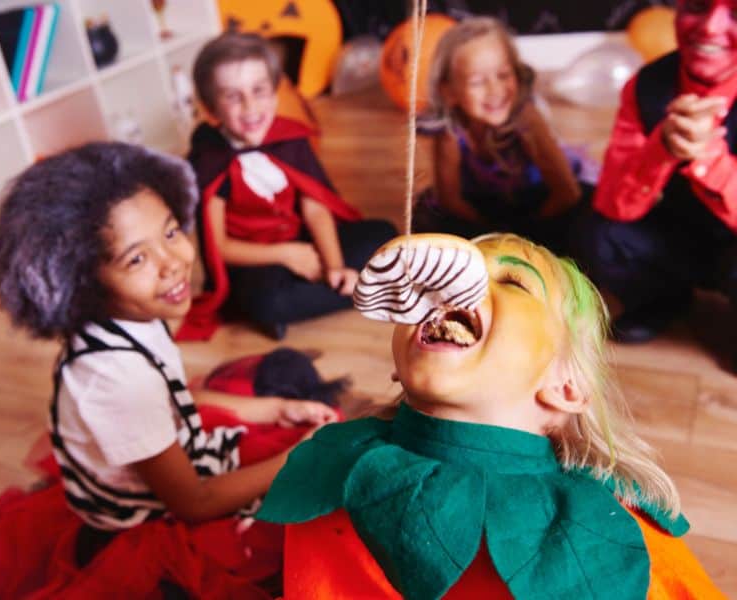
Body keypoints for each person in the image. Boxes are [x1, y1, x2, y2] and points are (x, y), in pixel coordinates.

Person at [0, 142, 337, 599]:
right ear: (83, 281)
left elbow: (174, 396)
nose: (172, 263)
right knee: (312, 530)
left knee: (289, 382)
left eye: (172, 232)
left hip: (170, 456)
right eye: (136, 259)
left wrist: (273, 407)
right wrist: (298, 458)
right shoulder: (114, 380)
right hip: (156, 519)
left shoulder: (132, 319)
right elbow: (194, 503)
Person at [258, 233, 725, 599]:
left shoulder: (612, 528)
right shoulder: (334, 466)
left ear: (568, 386)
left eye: (512, 281)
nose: (455, 283)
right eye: (439, 275)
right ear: (398, 369)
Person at [178, 32, 397, 341]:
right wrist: (288, 255)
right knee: (268, 302)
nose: (250, 106)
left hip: (302, 237)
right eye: (232, 96)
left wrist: (332, 264)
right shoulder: (211, 163)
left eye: (259, 91)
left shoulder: (290, 139)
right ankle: (363, 288)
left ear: (275, 94)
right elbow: (221, 247)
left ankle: (338, 284)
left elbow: (316, 207)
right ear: (211, 109)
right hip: (258, 260)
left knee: (384, 234)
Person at [573, 0, 737, 353]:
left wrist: (708, 157)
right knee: (600, 233)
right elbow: (612, 203)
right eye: (698, 6)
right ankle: (666, 298)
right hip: (681, 233)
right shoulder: (646, 85)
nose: (710, 28)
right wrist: (662, 146)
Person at [413, 17, 593, 255]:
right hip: (483, 206)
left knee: (585, 220)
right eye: (477, 81)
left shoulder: (527, 120)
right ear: (449, 92)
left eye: (504, 75)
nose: (495, 90)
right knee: (428, 218)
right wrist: (492, 235)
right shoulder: (450, 133)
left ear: (517, 76)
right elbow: (451, 201)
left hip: (538, 201)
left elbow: (566, 194)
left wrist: (520, 235)